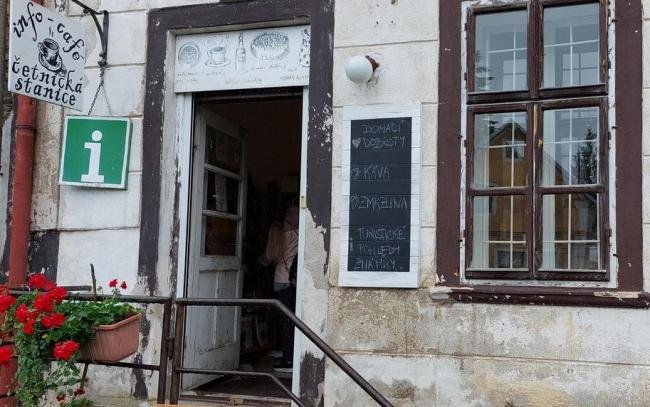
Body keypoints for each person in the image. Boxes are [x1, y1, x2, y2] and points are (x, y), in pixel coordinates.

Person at [258, 203, 299, 372]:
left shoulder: (282, 234)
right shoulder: (297, 234)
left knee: (286, 321)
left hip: (282, 278)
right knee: (291, 319)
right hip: (292, 279)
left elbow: (269, 256)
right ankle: (289, 355)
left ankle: (288, 359)